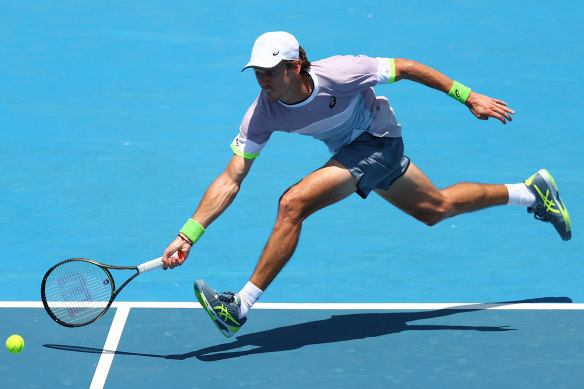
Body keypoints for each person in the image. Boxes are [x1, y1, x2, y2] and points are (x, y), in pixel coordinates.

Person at [161, 31, 571, 338]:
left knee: (293, 203)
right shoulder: (262, 113)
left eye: (270, 72)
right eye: (257, 73)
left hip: (378, 141)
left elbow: (406, 67)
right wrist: (189, 233)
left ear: (295, 67)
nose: (262, 80)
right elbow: (233, 176)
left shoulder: (341, 72)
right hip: (354, 152)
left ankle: (240, 306)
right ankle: (532, 193)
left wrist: (469, 97)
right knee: (436, 208)